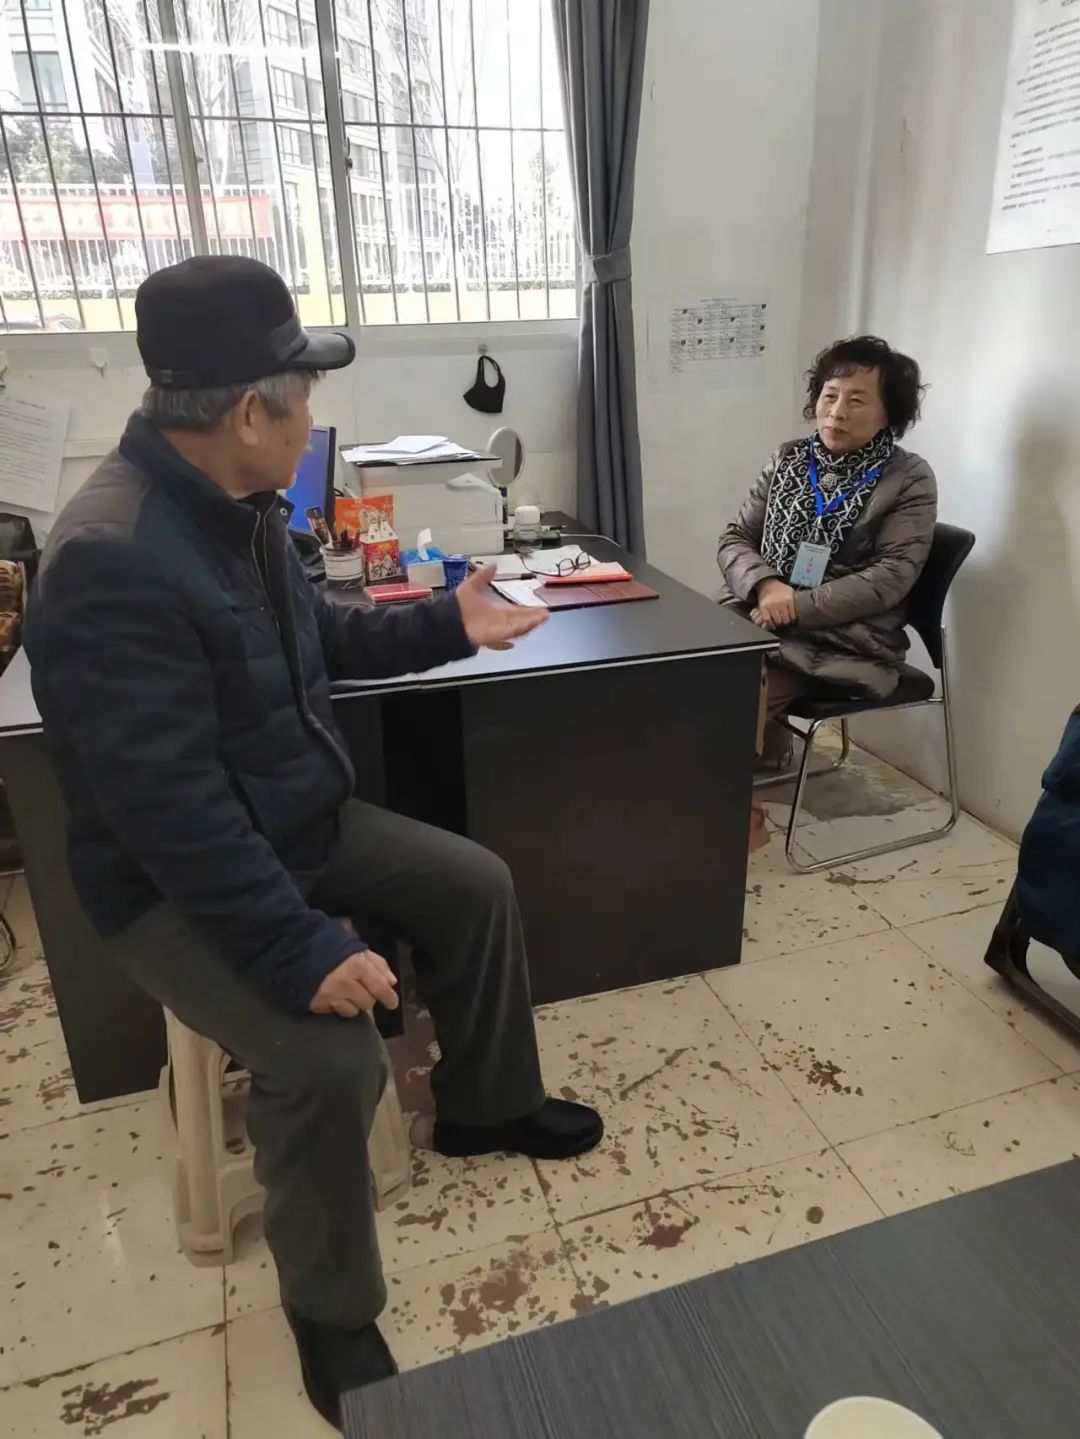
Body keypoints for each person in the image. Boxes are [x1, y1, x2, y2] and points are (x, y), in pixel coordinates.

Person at [24, 256, 603, 1429]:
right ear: (252, 412)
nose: (313, 417)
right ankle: (329, 1308)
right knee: (330, 1060)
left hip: (295, 820)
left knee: (475, 883)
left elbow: (320, 640)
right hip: (170, 884)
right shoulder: (111, 558)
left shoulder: (240, 511)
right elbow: (171, 812)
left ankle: (488, 1103)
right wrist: (300, 947)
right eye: (304, 393)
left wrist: (448, 619)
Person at [717, 336, 937, 850]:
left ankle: (735, 822)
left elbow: (890, 577)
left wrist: (794, 606)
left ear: (888, 414)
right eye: (830, 395)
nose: (837, 411)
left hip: (848, 639)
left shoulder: (909, 478)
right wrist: (767, 585)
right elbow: (736, 538)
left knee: (727, 683)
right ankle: (705, 793)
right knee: (684, 665)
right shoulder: (790, 459)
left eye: (857, 400)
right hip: (765, 614)